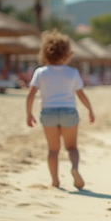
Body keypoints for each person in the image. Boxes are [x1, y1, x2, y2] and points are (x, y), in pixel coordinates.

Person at [25, 31, 95, 189]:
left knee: (53, 150)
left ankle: (55, 181)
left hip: (48, 112)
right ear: (66, 54)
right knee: (72, 147)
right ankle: (75, 168)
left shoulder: (40, 72)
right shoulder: (72, 72)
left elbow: (30, 95)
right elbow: (81, 94)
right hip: (68, 111)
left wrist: (29, 114)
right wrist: (90, 110)